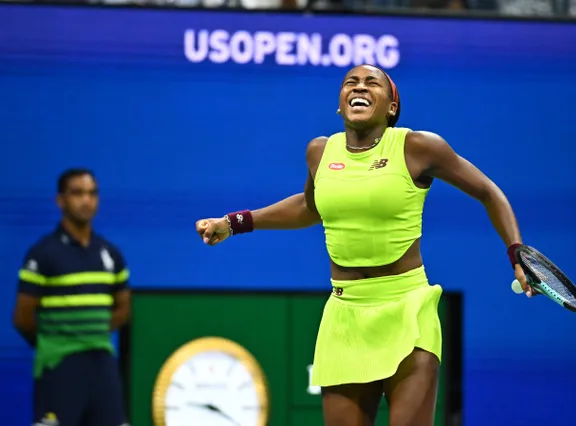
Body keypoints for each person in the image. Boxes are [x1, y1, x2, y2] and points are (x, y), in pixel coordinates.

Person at [195, 64, 534, 426]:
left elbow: (487, 191)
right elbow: (311, 207)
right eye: (350, 83)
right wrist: (233, 224)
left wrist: (516, 252)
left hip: (408, 309)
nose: (360, 87)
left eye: (372, 82)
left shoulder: (418, 147)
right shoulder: (320, 152)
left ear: (391, 106)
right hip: (345, 315)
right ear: (340, 104)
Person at [12, 168, 131, 426]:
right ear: (60, 200)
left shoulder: (110, 254)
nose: (86, 200)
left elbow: (123, 308)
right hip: (59, 365)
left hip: (102, 365)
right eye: (77, 193)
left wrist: (91, 333)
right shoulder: (42, 254)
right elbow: (22, 317)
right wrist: (55, 342)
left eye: (92, 193)